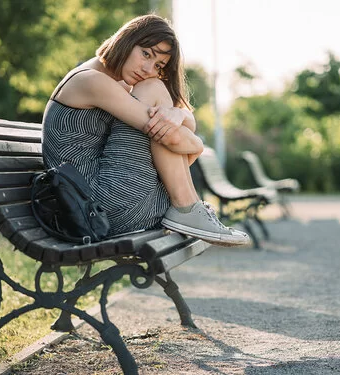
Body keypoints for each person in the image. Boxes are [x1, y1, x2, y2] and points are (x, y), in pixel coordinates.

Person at [41, 14, 249, 247]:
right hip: (99, 205)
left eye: (159, 65)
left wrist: (179, 114)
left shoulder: (118, 83)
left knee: (157, 100)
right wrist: (197, 145)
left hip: (109, 202)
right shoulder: (91, 81)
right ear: (126, 41)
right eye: (146, 54)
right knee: (154, 90)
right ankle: (187, 205)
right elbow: (170, 136)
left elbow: (183, 127)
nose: (148, 68)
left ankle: (189, 207)